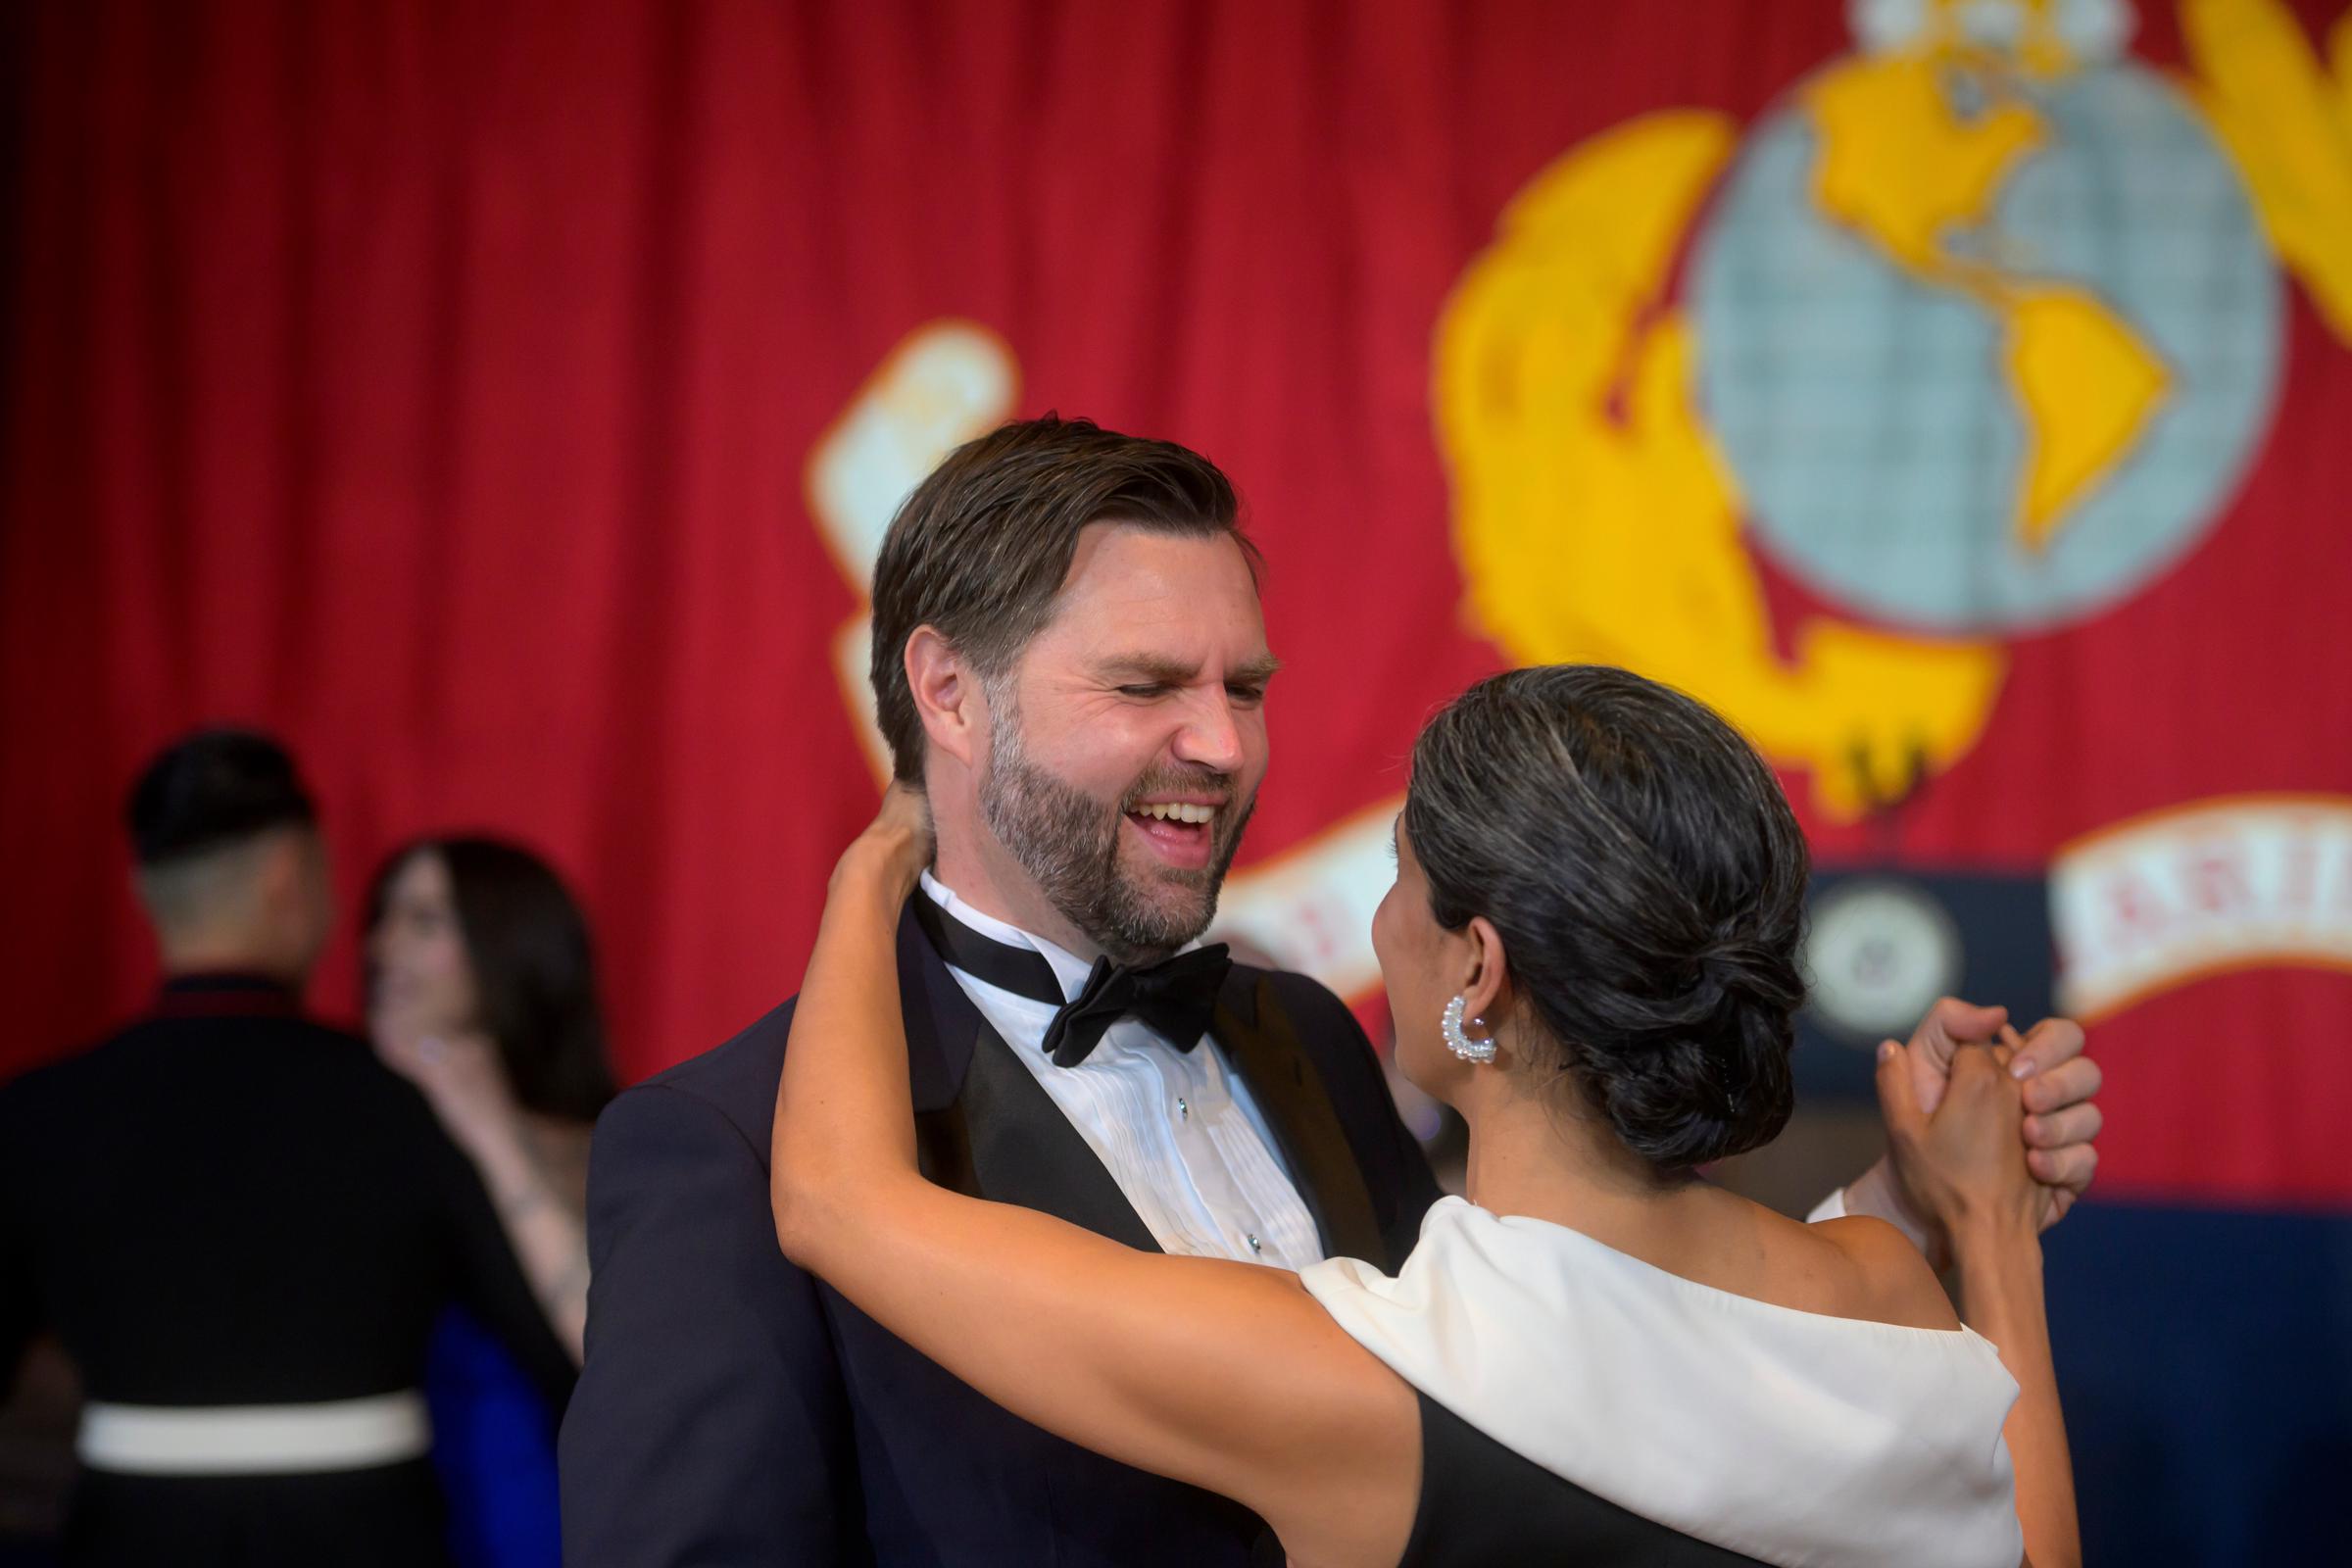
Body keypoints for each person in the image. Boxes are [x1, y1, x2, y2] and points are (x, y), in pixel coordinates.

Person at [560, 417, 2102, 1565]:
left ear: (1478, 975)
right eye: (1150, 685)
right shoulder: (720, 1146)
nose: (1225, 749)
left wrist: (867, 865)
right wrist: (1943, 1225)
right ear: (946, 692)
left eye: (1246, 688)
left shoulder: (1303, 1041)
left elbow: (1584, 1377)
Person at [771, 668, 2076, 1566]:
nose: (1383, 924)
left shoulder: (1363, 1385)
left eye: (1402, 878)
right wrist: (1988, 1231)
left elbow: (837, 1199)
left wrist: (886, 853)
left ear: (1478, 971)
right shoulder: (1893, 1289)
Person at [0, 729, 576, 1568]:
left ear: (141, 891)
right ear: (290, 876)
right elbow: (556, 1346)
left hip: (128, 1533)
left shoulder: (34, 1114)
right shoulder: (401, 1105)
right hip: (366, 1533)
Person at [367, 836, 616, 1568]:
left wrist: (487, 1124)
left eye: (424, 921)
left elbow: (610, 1347)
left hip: (542, 1530)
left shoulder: (607, 1141)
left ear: (505, 945)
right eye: (384, 917)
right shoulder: (359, 1132)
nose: (382, 946)